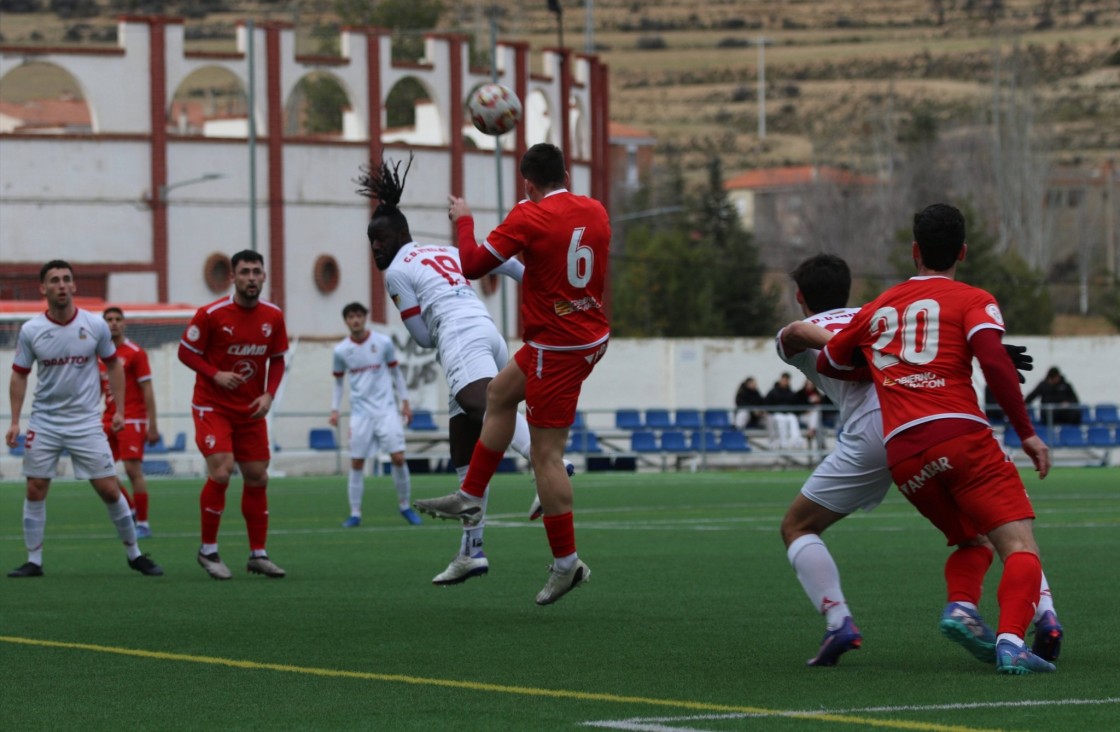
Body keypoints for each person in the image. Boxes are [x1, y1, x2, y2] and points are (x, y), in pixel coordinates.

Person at [777, 253, 1062, 668]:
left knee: (797, 526)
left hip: (886, 435)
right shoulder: (880, 313)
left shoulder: (856, 322)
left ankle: (839, 620)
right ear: (849, 288)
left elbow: (798, 333)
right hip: (921, 422)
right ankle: (1044, 614)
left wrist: (848, 344)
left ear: (800, 296)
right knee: (1003, 528)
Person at [412, 142, 611, 605]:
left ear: (527, 183)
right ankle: (471, 493)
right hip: (584, 333)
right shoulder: (595, 210)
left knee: (547, 456)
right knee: (500, 395)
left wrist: (463, 220)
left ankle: (567, 564)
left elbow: (471, 265)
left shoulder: (528, 218)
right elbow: (562, 239)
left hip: (556, 346)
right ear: (565, 173)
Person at [356, 153, 557, 586]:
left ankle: (551, 468)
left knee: (484, 406)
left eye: (381, 237)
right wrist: (536, 282)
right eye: (371, 239)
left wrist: (431, 315)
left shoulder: (396, 271)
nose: (376, 246)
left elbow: (423, 339)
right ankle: (472, 551)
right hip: (486, 332)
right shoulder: (444, 249)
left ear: (400, 235)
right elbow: (501, 260)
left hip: (459, 338)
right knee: (465, 454)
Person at [6, 260, 163, 578]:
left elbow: (114, 365)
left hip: (86, 422)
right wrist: (14, 420)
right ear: (43, 288)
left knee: (108, 489)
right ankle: (34, 561)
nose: (61, 285)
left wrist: (118, 410)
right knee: (35, 488)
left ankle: (134, 554)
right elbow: (19, 375)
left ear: (74, 286)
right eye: (54, 280)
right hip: (45, 421)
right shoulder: (32, 330)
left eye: (66, 279)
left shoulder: (95, 326)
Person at [178, 249, 290, 580]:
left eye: (257, 272)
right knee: (223, 469)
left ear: (264, 277)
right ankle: (208, 550)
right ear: (233, 277)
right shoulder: (211, 314)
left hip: (250, 410)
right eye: (245, 272)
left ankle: (258, 554)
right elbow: (186, 351)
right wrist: (215, 374)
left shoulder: (273, 316)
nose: (251, 278)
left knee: (257, 475)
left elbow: (279, 358)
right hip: (212, 405)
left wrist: (269, 394)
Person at [330, 302, 422, 527]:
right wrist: (334, 408)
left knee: (398, 458)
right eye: (351, 316)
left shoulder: (383, 343)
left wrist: (406, 402)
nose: (356, 320)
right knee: (357, 462)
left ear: (365, 318)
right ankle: (355, 513)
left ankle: (404, 506)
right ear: (346, 321)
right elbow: (339, 382)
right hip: (360, 414)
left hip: (386, 410)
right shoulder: (341, 350)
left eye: (359, 316)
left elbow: (396, 373)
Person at [99, 307, 161, 539]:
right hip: (107, 419)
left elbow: (147, 390)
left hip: (132, 418)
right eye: (109, 320)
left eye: (117, 319)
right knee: (100, 470)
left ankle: (143, 523)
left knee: (133, 470)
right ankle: (132, 509)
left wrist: (152, 424)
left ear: (124, 324)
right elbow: (97, 389)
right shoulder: (100, 356)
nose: (113, 323)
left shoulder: (135, 353)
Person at [765, 372, 803, 449]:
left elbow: (795, 405)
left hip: (788, 413)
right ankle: (783, 442)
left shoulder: (791, 393)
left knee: (793, 419)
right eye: (784, 380)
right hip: (776, 414)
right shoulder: (773, 392)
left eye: (787, 380)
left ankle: (795, 440)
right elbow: (767, 404)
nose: (785, 382)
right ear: (780, 380)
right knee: (781, 420)